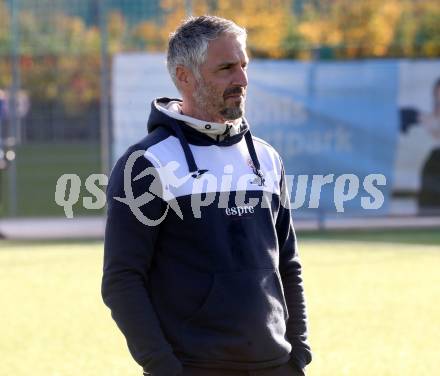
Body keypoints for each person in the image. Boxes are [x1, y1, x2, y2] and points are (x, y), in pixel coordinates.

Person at [102, 16, 312, 376]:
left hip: (277, 365)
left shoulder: (266, 157)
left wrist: (299, 353)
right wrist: (164, 367)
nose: (242, 80)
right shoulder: (147, 164)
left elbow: (288, 264)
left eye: (244, 65)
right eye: (227, 68)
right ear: (185, 76)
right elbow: (122, 279)